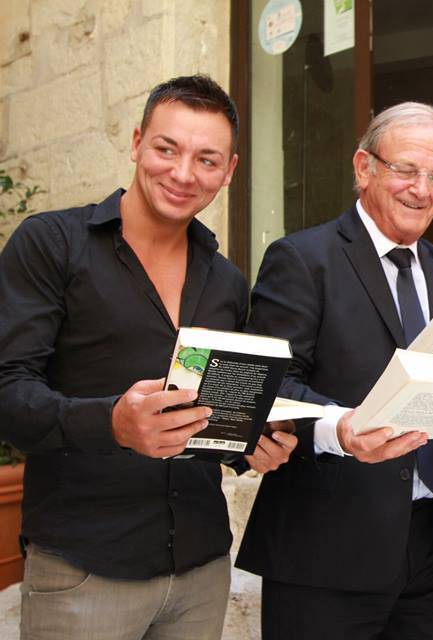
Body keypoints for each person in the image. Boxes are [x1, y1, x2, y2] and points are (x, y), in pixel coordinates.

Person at [0, 75, 296, 640]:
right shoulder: (50, 245)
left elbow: (215, 412)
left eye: (207, 159)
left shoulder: (228, 281)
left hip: (201, 566)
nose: (184, 174)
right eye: (167, 149)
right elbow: (7, 392)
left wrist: (252, 443)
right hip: (85, 568)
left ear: (229, 171)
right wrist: (110, 422)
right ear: (137, 142)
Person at [235, 101, 433, 640]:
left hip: (429, 548)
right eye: (407, 170)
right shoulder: (302, 259)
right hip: (324, 554)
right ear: (364, 167)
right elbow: (267, 387)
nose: (422, 189)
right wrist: (339, 429)